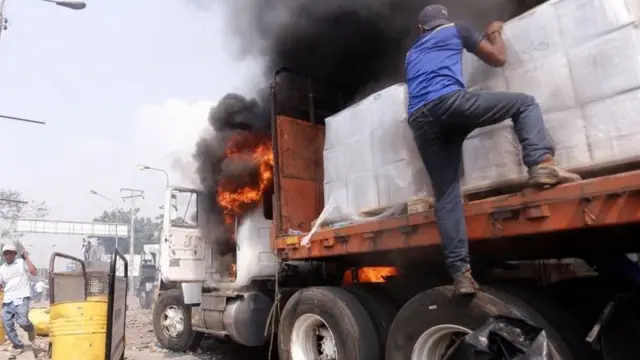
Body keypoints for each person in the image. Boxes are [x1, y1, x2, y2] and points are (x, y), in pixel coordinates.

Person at [405, 5, 581, 295]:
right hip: (450, 104)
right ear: (443, 21)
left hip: (420, 120)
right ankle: (541, 164)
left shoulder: (411, 53)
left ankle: (461, 275)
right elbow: (498, 59)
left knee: (447, 194)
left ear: (420, 29)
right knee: (524, 103)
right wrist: (495, 31)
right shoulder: (457, 29)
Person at [0, 244, 37, 355]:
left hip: (21, 297)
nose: (7, 255)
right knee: (6, 322)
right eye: (5, 253)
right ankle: (17, 345)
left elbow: (34, 272)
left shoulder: (22, 262)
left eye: (9, 252)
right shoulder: (1, 269)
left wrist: (27, 257)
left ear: (14, 254)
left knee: (22, 321)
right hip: (8, 299)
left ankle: (30, 329)